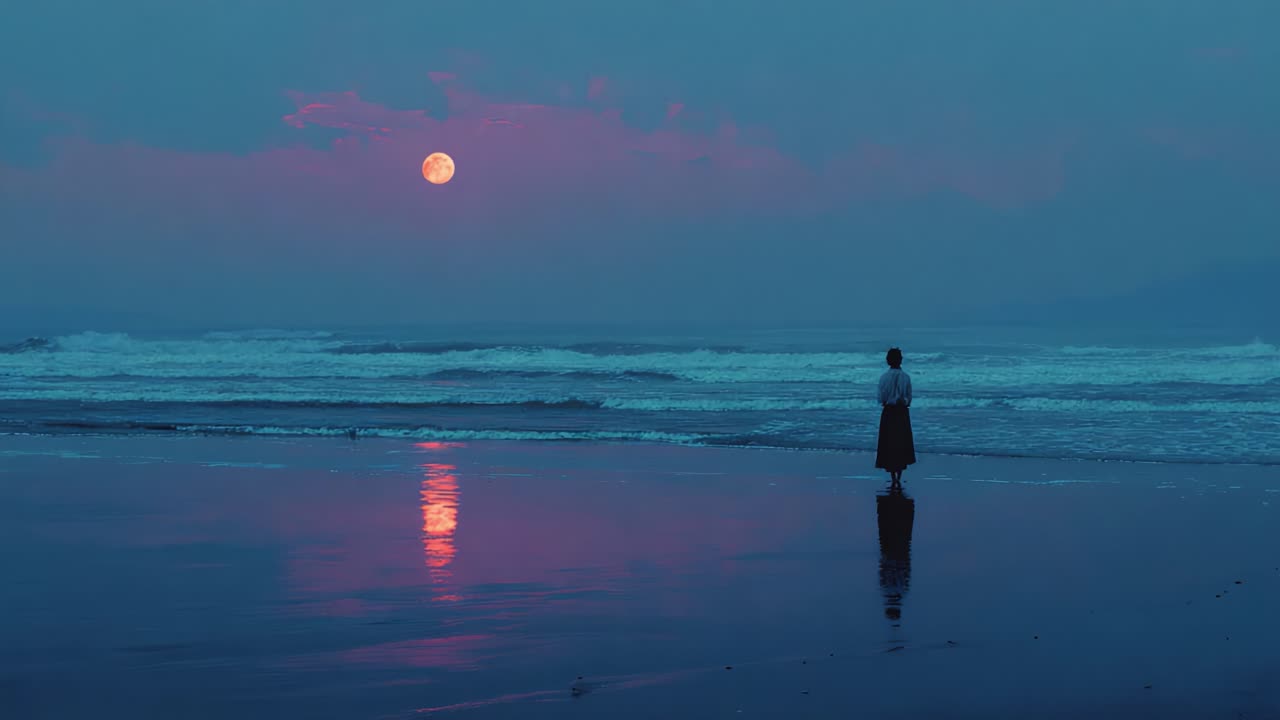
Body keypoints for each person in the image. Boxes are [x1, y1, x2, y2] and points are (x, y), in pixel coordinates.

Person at [875, 347, 916, 485]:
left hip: (888, 411)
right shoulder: (906, 377)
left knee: (889, 444)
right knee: (901, 443)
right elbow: (909, 398)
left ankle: (893, 476)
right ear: (900, 360)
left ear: (888, 361)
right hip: (902, 412)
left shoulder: (883, 378)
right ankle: (898, 475)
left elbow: (881, 398)